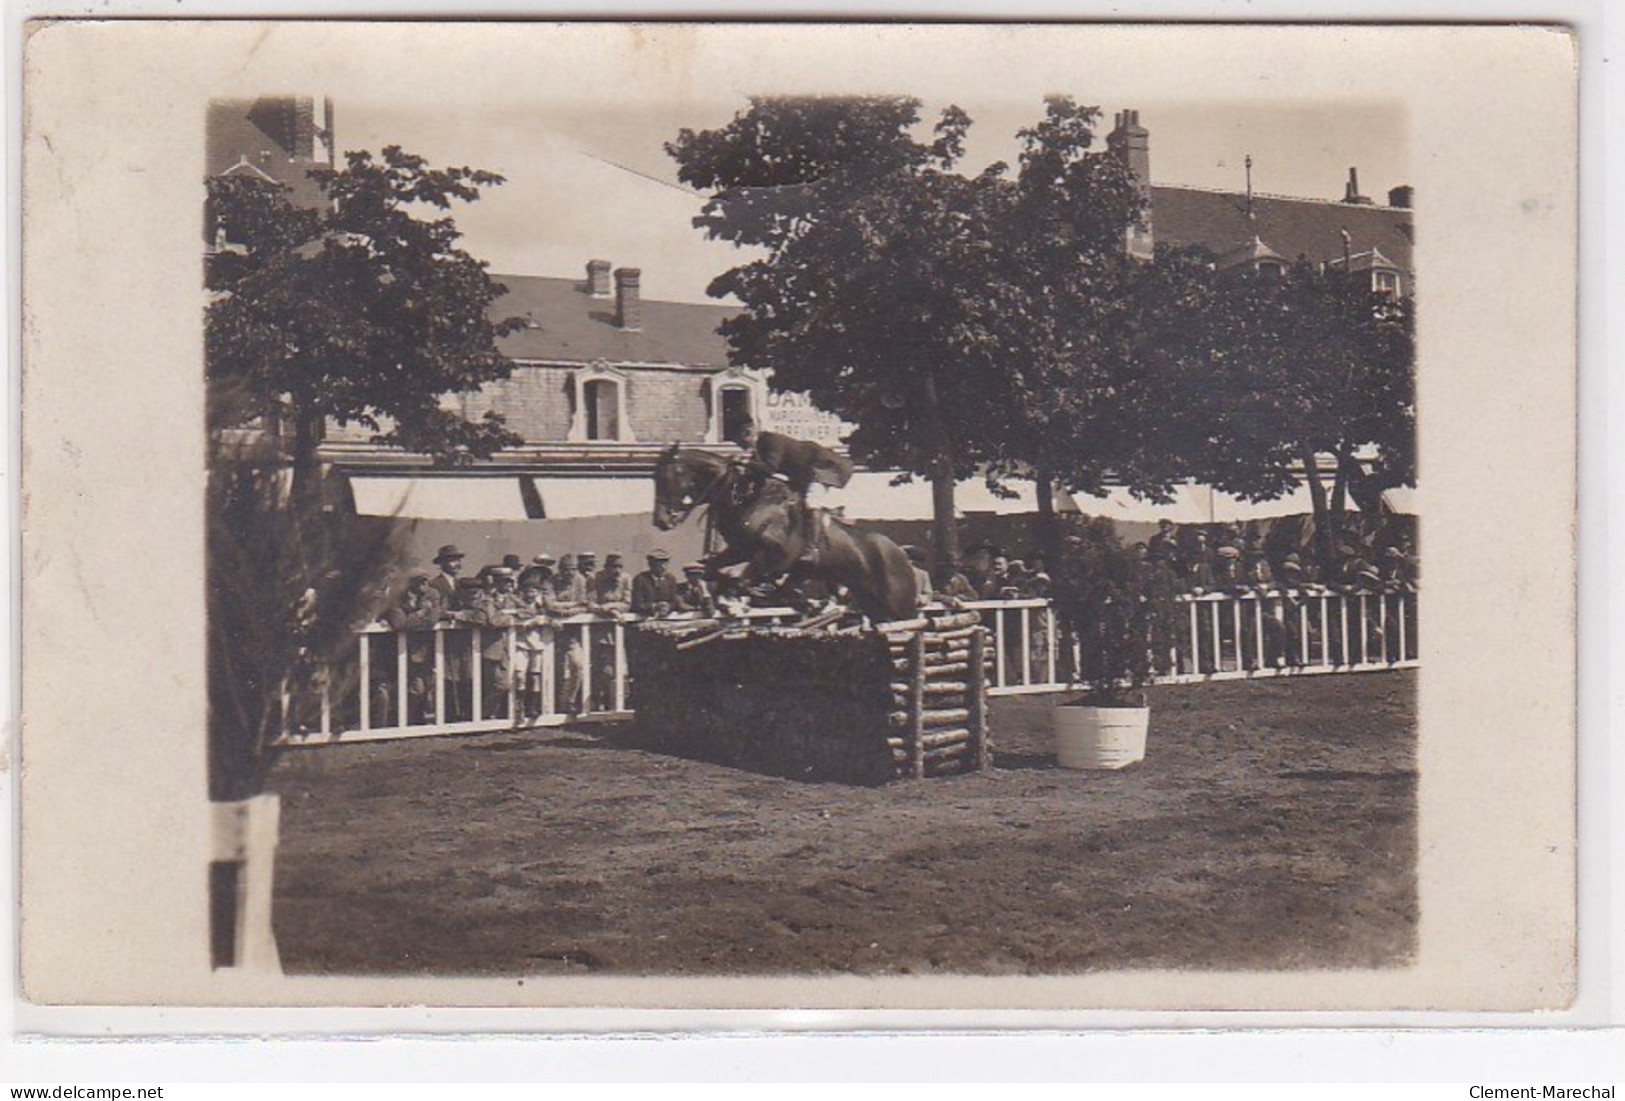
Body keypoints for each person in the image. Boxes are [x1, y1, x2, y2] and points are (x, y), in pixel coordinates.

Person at [631, 548, 680, 617]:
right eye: (659, 564)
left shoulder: (671, 579)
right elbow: (636, 604)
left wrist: (668, 606)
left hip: (666, 617)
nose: (663, 567)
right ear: (650, 565)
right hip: (645, 617)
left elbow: (674, 602)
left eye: (665, 563)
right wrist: (654, 607)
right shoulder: (640, 579)